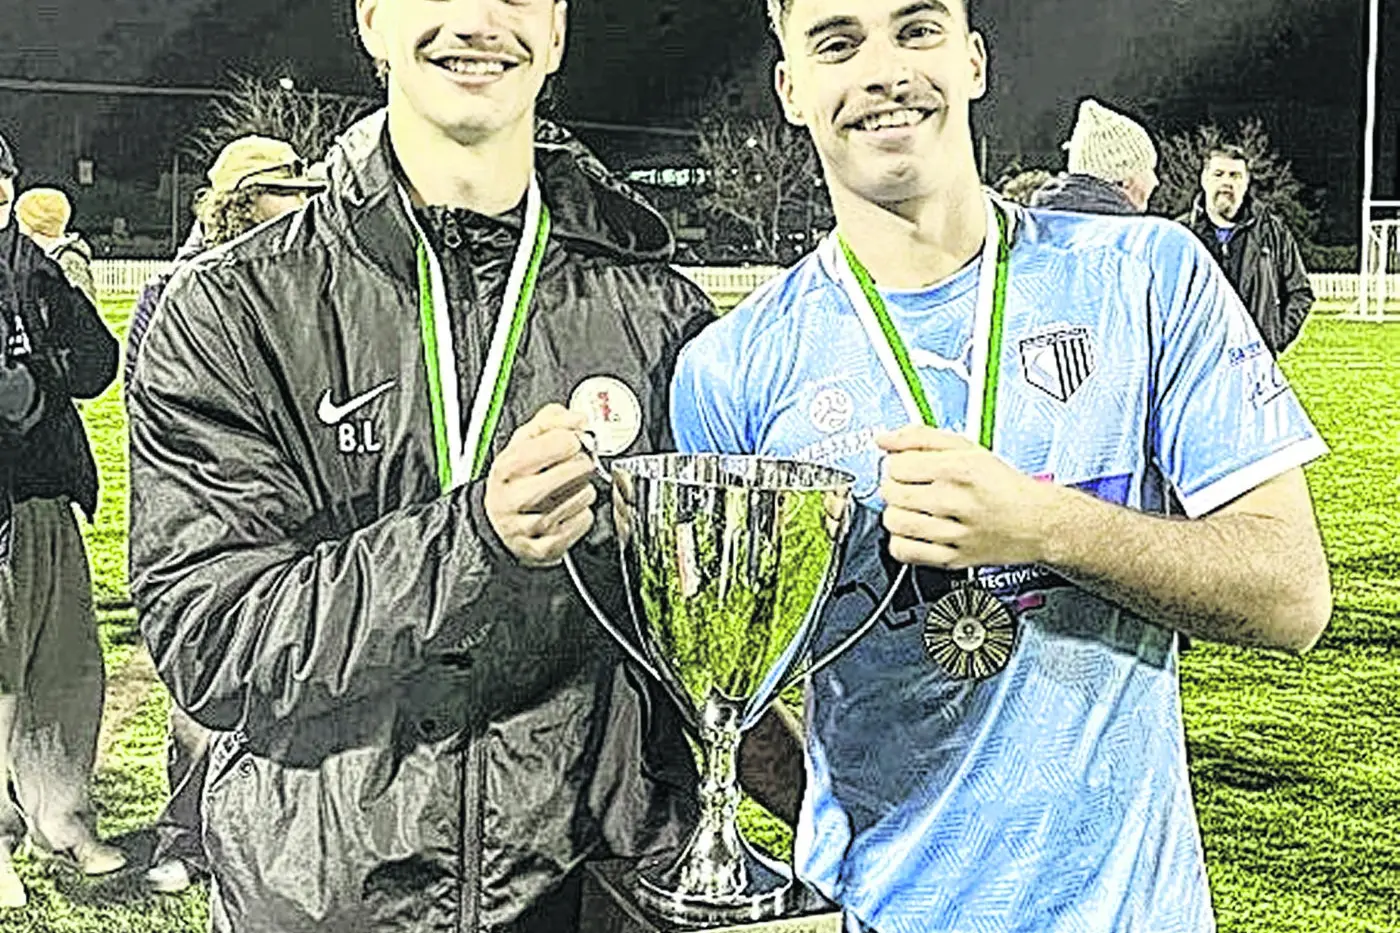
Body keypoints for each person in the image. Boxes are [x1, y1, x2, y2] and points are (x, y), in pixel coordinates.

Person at [670, 1, 1333, 931]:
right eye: (836, 43)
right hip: (869, 915)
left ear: (973, 60)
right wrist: (816, 815)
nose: (884, 70)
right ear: (792, 89)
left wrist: (1046, 526)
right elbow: (717, 680)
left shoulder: (1147, 275)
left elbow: (1293, 593)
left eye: (918, 29)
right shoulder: (730, 369)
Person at [126, 0, 715, 928]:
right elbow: (215, 637)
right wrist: (475, 541)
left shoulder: (663, 315)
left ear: (556, 30)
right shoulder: (232, 310)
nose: (480, 18)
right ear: (371, 18)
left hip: (595, 884)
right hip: (329, 896)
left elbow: (710, 628)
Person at [131, 136, 326, 896]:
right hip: (212, 530)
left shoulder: (312, 287)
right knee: (199, 703)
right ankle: (184, 836)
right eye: (289, 193)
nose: (305, 207)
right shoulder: (179, 293)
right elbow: (162, 430)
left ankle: (265, 834)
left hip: (303, 527)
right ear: (245, 202)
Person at [0, 130, 123, 910]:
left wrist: (44, 374)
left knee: (66, 667)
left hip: (46, 494)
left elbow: (97, 359)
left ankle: (60, 814)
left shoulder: (34, 264)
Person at [1178, 144, 1316, 355]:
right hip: (1195, 360)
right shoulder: (1180, 234)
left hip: (1253, 362)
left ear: (1246, 182)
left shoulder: (1271, 231)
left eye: (1235, 175)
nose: (1226, 182)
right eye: (1219, 174)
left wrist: (1275, 338)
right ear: (1204, 179)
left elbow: (1300, 292)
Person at [1030, 98, 1158, 215]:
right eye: (1148, 169)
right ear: (1125, 181)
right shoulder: (1144, 236)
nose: (1155, 182)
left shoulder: (1035, 225)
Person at [14, 188, 97, 305]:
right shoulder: (37, 256)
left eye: (19, 216)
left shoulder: (68, 261)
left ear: (36, 221)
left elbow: (84, 311)